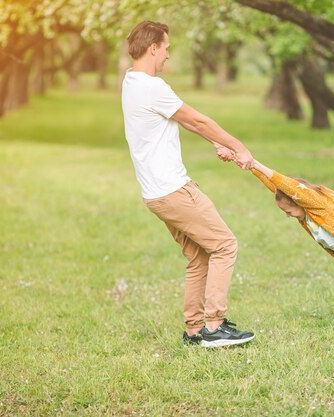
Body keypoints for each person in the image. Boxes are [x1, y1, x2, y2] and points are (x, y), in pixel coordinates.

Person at [121, 21, 255, 347]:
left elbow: (176, 123)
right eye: (166, 47)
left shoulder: (132, 83)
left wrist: (213, 143)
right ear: (153, 48)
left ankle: (195, 329)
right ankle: (214, 326)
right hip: (174, 190)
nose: (167, 54)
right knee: (224, 245)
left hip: (156, 194)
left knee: (199, 257)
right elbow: (197, 120)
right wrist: (238, 146)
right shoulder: (153, 87)